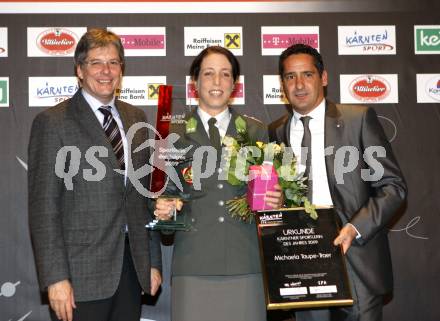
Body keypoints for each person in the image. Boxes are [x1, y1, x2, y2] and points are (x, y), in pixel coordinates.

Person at [28, 28, 162, 321]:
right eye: (96, 62)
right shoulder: (52, 123)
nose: (106, 71)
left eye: (114, 62)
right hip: (79, 277)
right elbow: (43, 208)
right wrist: (55, 278)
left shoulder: (135, 118)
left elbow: (142, 198)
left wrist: (151, 262)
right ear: (79, 69)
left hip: (130, 271)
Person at [269, 43, 407, 321]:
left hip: (355, 255)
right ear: (282, 83)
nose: (298, 84)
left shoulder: (357, 120)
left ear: (324, 78)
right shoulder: (276, 131)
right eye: (290, 77)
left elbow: (393, 187)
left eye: (307, 74)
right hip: (302, 260)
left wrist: (355, 228)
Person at [154, 46, 283, 321]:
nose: (216, 82)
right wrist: (167, 210)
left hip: (245, 263)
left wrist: (276, 203)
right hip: (193, 264)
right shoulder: (172, 134)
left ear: (234, 85)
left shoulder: (256, 130)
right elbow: (165, 213)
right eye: (209, 74)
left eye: (225, 75)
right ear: (195, 83)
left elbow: (271, 204)